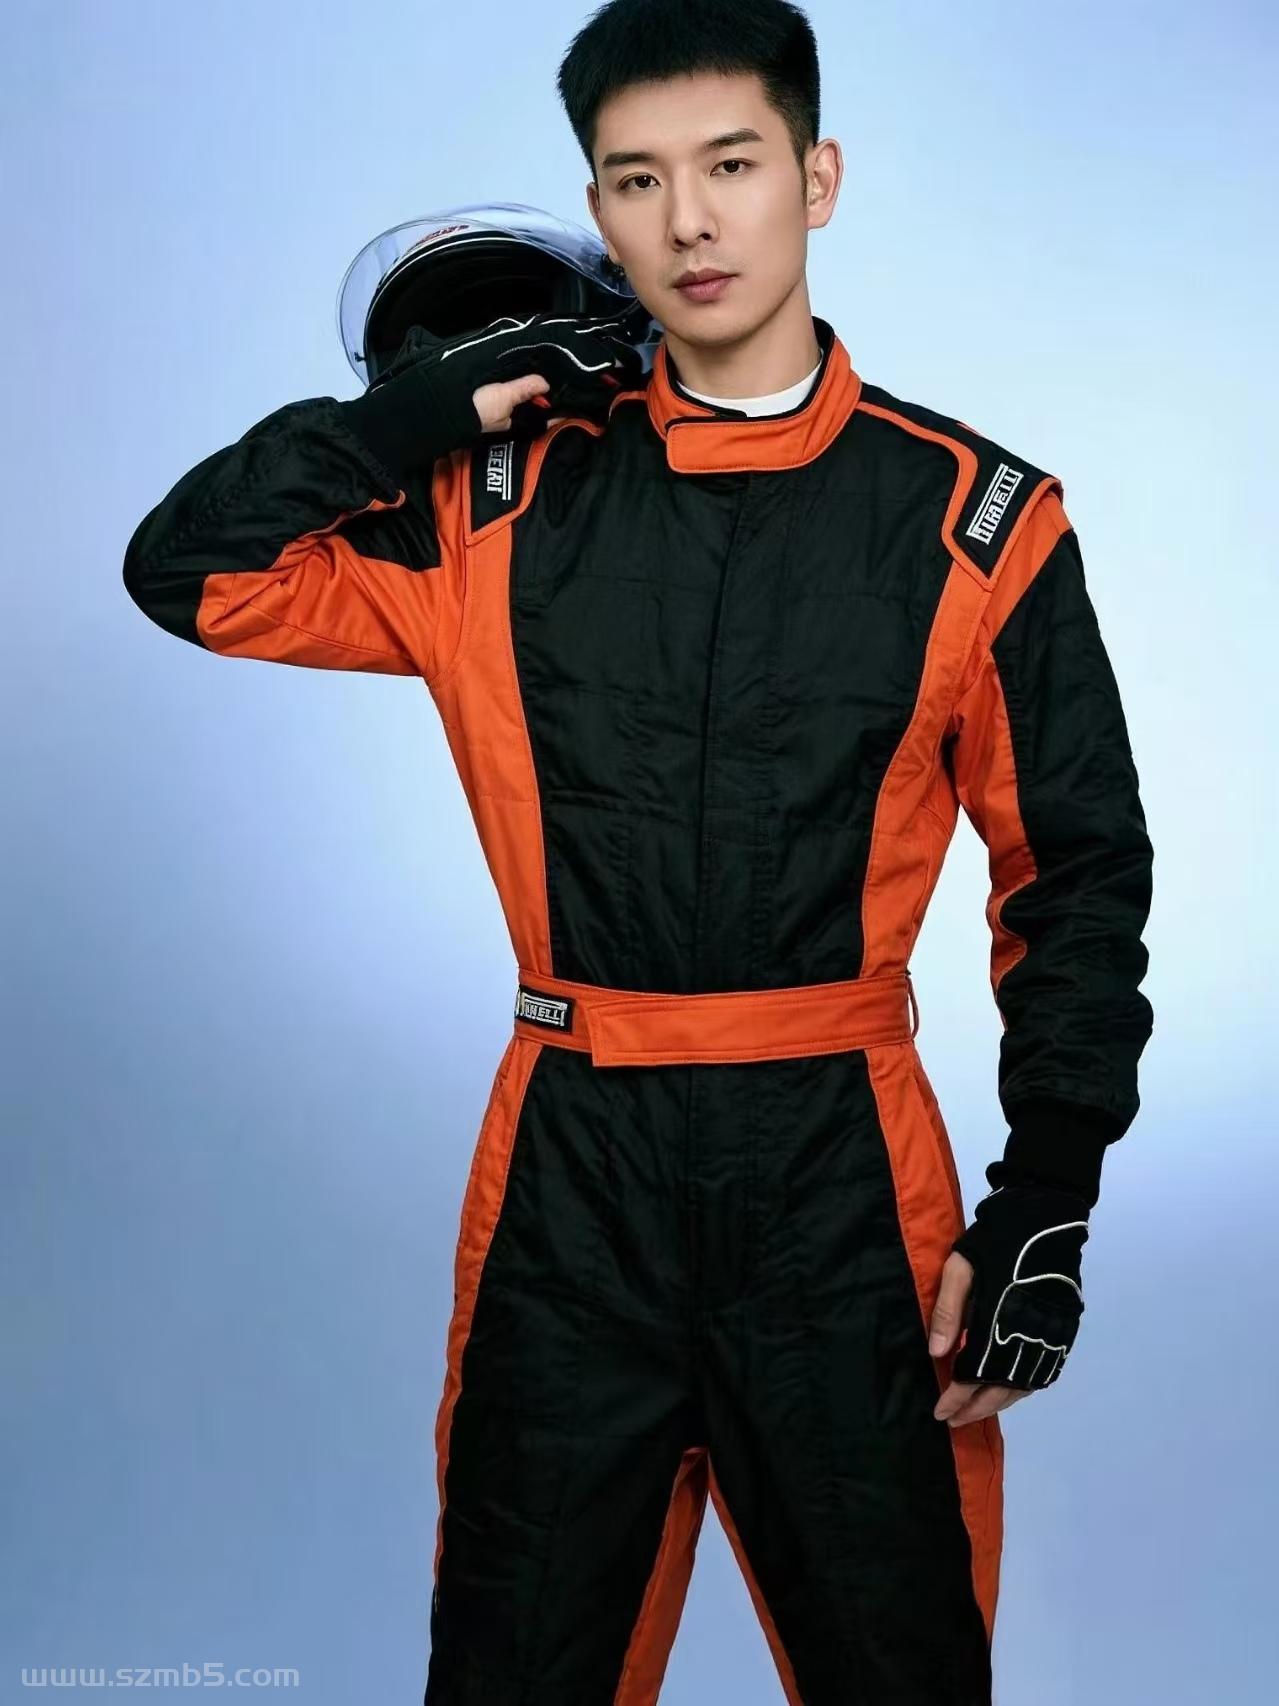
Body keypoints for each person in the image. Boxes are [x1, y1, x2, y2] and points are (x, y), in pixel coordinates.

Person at [121, 0, 1154, 1700]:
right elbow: (192, 575)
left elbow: (1079, 878)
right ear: (598, 208)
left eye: (731, 165)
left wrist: (1049, 1192)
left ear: (816, 179)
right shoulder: (490, 510)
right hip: (570, 1184)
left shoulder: (982, 523)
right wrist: (398, 424)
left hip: (841, 1183)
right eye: (637, 179)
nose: (689, 221)